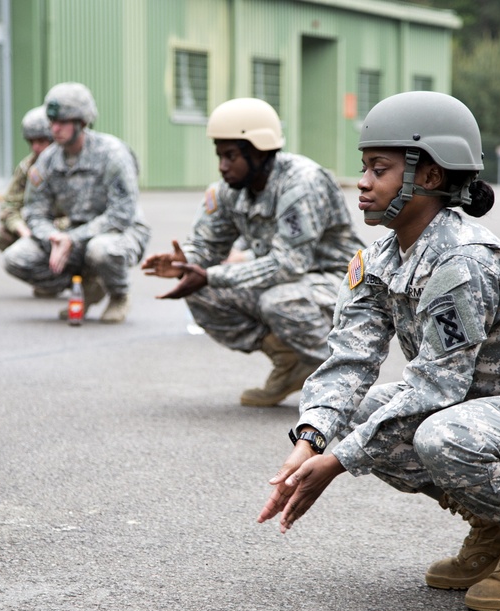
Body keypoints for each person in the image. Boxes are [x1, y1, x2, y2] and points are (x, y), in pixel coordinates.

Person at [257, 91, 500, 611]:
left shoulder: (462, 264)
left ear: (428, 177)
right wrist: (311, 439)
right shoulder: (379, 258)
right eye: (364, 167)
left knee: (440, 433)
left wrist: (338, 461)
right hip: (489, 403)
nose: (362, 182)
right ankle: (491, 528)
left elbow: (435, 390)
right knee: (367, 413)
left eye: (378, 169)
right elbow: (349, 360)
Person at [141, 97, 364, 406]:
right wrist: (186, 261)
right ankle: (291, 363)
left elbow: (288, 265)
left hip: (342, 281)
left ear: (258, 150)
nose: (222, 165)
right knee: (199, 292)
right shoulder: (228, 189)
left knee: (280, 300)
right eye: (219, 155)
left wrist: (210, 275)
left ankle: (344, 383)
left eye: (231, 155)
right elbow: (208, 245)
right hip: (288, 278)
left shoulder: (301, 183)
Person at [2, 82, 150, 323]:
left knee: (100, 250)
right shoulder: (48, 161)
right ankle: (87, 287)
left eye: (62, 122)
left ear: (81, 122)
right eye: (52, 122)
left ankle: (119, 295)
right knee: (16, 258)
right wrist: (54, 237)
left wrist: (72, 238)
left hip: (121, 232)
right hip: (71, 234)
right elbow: (34, 211)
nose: (55, 129)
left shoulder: (112, 153)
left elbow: (121, 214)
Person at [0, 105, 56, 253]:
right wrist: (22, 230)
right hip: (36, 224)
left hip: (65, 227)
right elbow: (10, 206)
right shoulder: (28, 167)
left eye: (41, 141)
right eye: (31, 142)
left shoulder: (71, 164)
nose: (36, 147)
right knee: (2, 235)